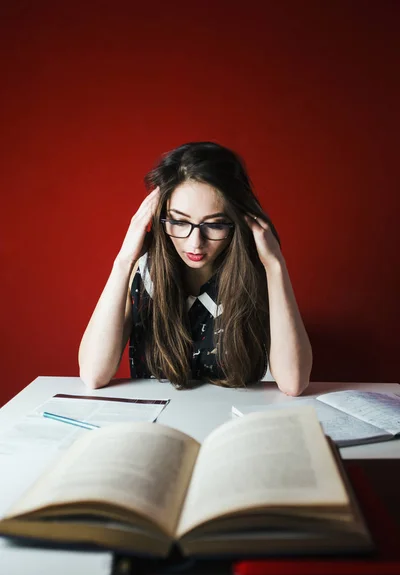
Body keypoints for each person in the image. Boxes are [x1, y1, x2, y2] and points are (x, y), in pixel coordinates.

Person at [78, 141, 312, 394]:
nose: (195, 243)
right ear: (159, 218)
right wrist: (124, 261)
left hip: (232, 423)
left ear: (236, 221)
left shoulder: (255, 274)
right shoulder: (143, 272)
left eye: (214, 225)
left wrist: (275, 265)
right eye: (179, 221)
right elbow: (93, 374)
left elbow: (294, 383)